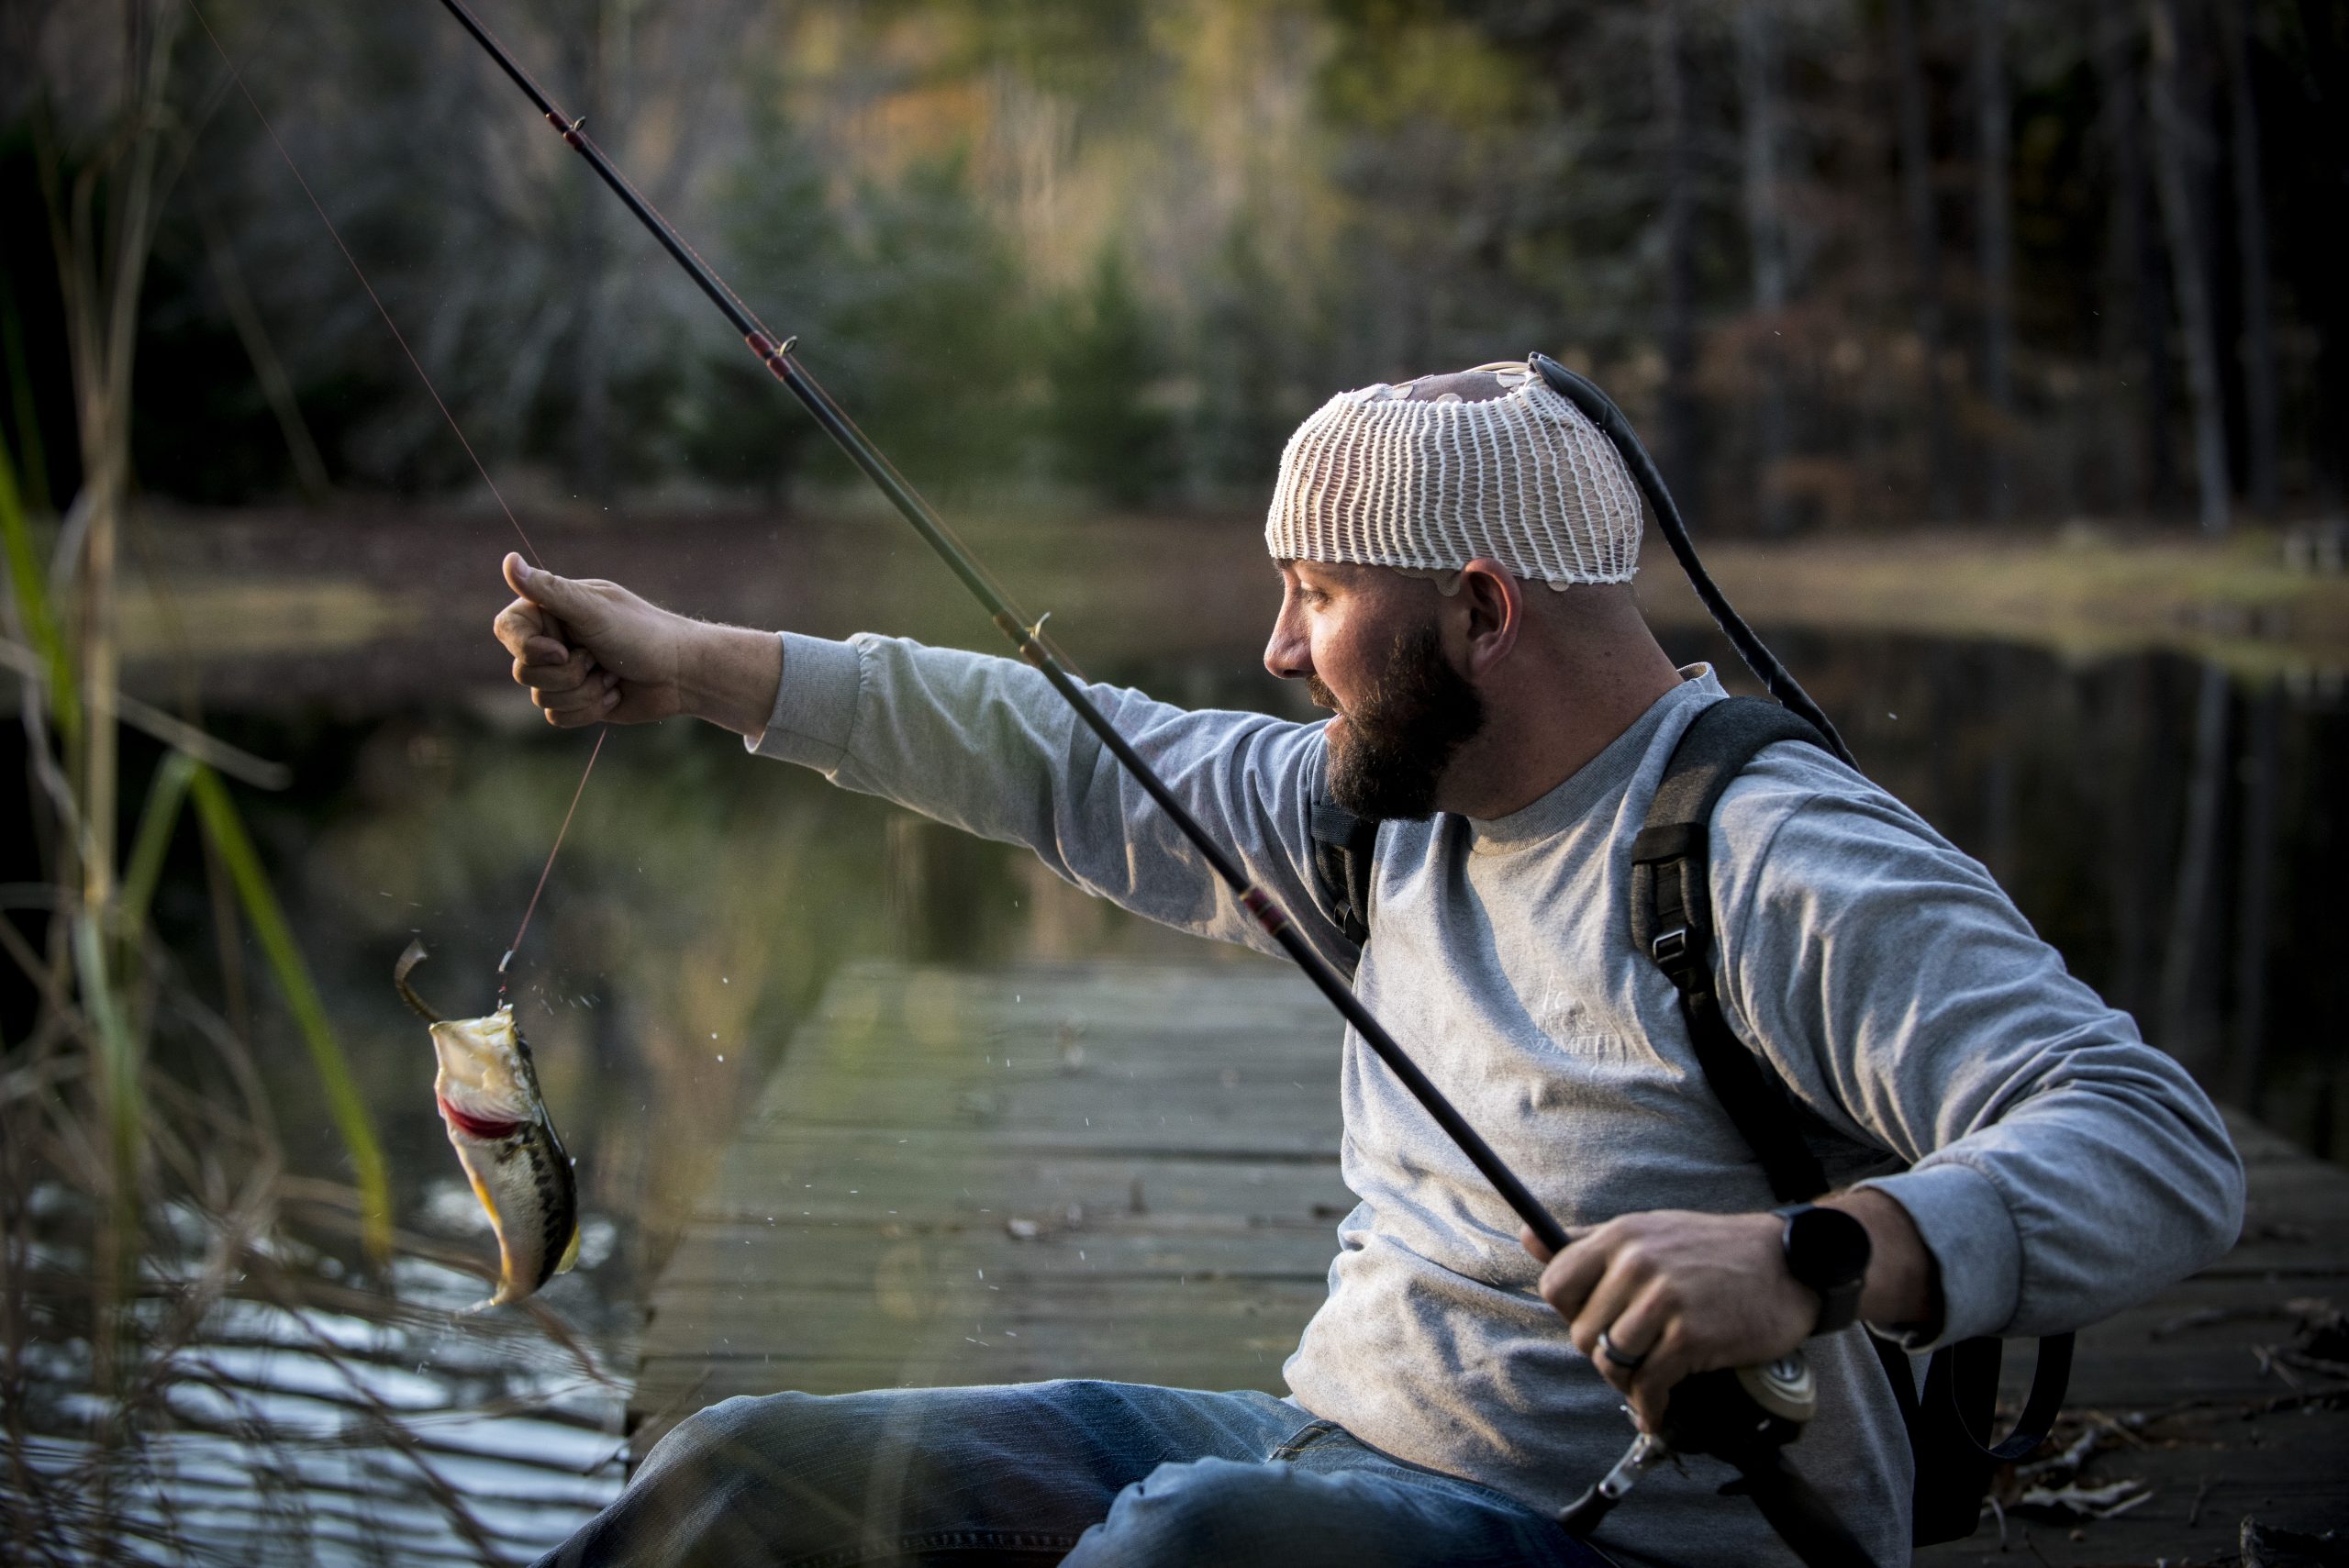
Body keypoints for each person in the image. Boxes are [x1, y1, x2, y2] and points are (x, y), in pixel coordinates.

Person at [500, 362, 2243, 1568]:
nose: (1276, 649)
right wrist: (690, 665)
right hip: (1311, 1458)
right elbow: (1056, 752)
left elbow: (2155, 1140)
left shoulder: (1779, 854)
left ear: (1482, 610)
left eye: (1319, 594)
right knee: (738, 1480)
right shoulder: (1381, 809)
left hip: (1626, 1539)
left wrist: (1817, 1253)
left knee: (1183, 1548)